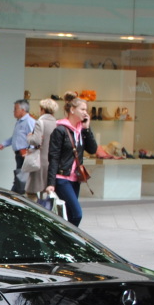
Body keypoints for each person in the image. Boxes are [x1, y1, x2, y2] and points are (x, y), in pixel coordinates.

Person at [43, 93, 97, 226]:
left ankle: (63, 241)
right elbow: (53, 157)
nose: (86, 113)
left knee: (67, 215)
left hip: (75, 180)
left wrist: (87, 129)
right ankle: (71, 239)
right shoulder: (60, 130)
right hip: (62, 178)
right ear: (72, 110)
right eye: (82, 109)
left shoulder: (81, 131)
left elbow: (93, 149)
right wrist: (51, 183)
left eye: (86, 110)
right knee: (76, 214)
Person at [0, 99, 36, 194]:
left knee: (21, 178)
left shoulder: (29, 121)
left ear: (23, 110)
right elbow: (15, 138)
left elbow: (34, 137)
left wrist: (29, 152)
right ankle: (15, 194)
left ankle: (14, 195)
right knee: (19, 177)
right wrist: (4, 144)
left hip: (25, 154)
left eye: (15, 109)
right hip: (19, 154)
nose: (14, 112)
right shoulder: (19, 122)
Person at [24, 98, 58, 198]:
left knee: (31, 191)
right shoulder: (57, 123)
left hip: (39, 160)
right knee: (46, 191)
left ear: (42, 109)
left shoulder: (40, 122)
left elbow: (36, 141)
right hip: (51, 161)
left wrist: (29, 136)